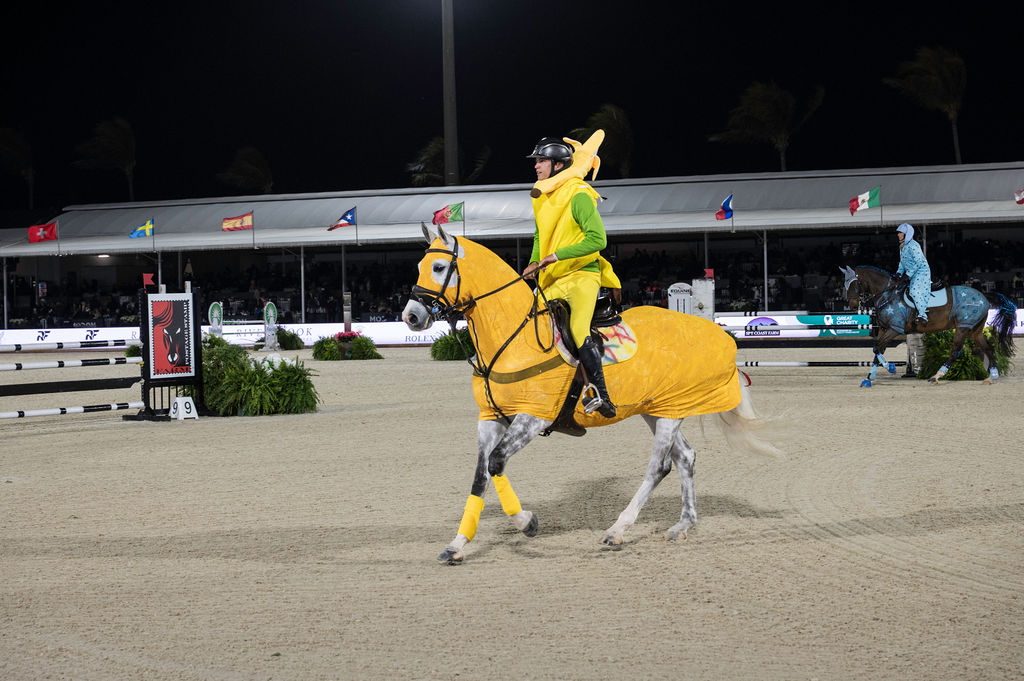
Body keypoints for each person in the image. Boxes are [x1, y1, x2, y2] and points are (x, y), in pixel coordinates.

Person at [522, 136, 620, 418]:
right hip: (551, 277)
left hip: (580, 274)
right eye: (537, 161)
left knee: (577, 332)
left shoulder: (579, 194)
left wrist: (558, 255)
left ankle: (600, 395)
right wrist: (533, 261)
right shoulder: (543, 198)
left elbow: (598, 239)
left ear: (558, 165)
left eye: (541, 161)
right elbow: (541, 234)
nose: (536, 166)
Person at [895, 222, 931, 326]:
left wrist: (908, 275)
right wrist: (899, 273)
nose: (898, 234)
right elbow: (902, 262)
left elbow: (919, 261)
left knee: (914, 291)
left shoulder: (914, 245)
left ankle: (923, 314)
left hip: (921, 272)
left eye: (900, 233)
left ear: (906, 234)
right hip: (912, 272)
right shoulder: (902, 246)